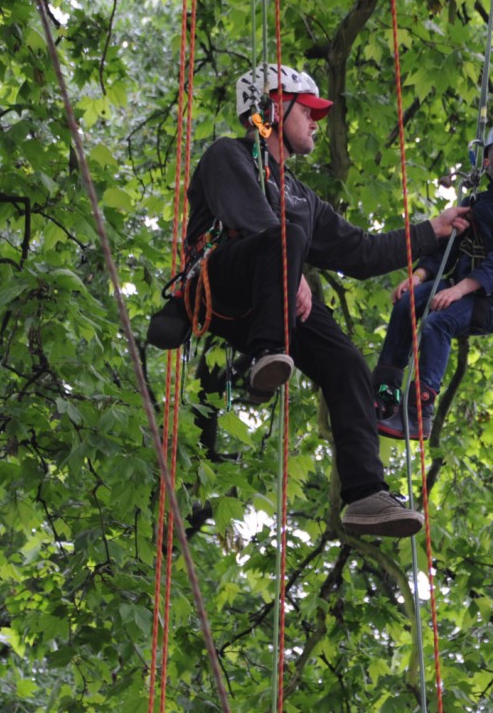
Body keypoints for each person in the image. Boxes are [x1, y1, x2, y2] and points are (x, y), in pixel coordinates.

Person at [180, 63, 470, 538]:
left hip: (272, 293)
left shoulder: (301, 195)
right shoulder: (228, 156)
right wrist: (291, 267)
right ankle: (265, 356)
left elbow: (359, 252)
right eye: (308, 109)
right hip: (220, 281)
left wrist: (431, 232)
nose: (316, 121)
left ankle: (364, 495)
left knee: (347, 363)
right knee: (285, 237)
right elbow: (248, 217)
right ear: (272, 108)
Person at [373, 116, 493, 440]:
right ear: (488, 163)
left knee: (437, 319)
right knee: (408, 302)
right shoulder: (477, 203)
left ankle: (421, 413)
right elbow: (445, 248)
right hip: (463, 287)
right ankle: (385, 393)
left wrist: (458, 290)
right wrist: (418, 276)